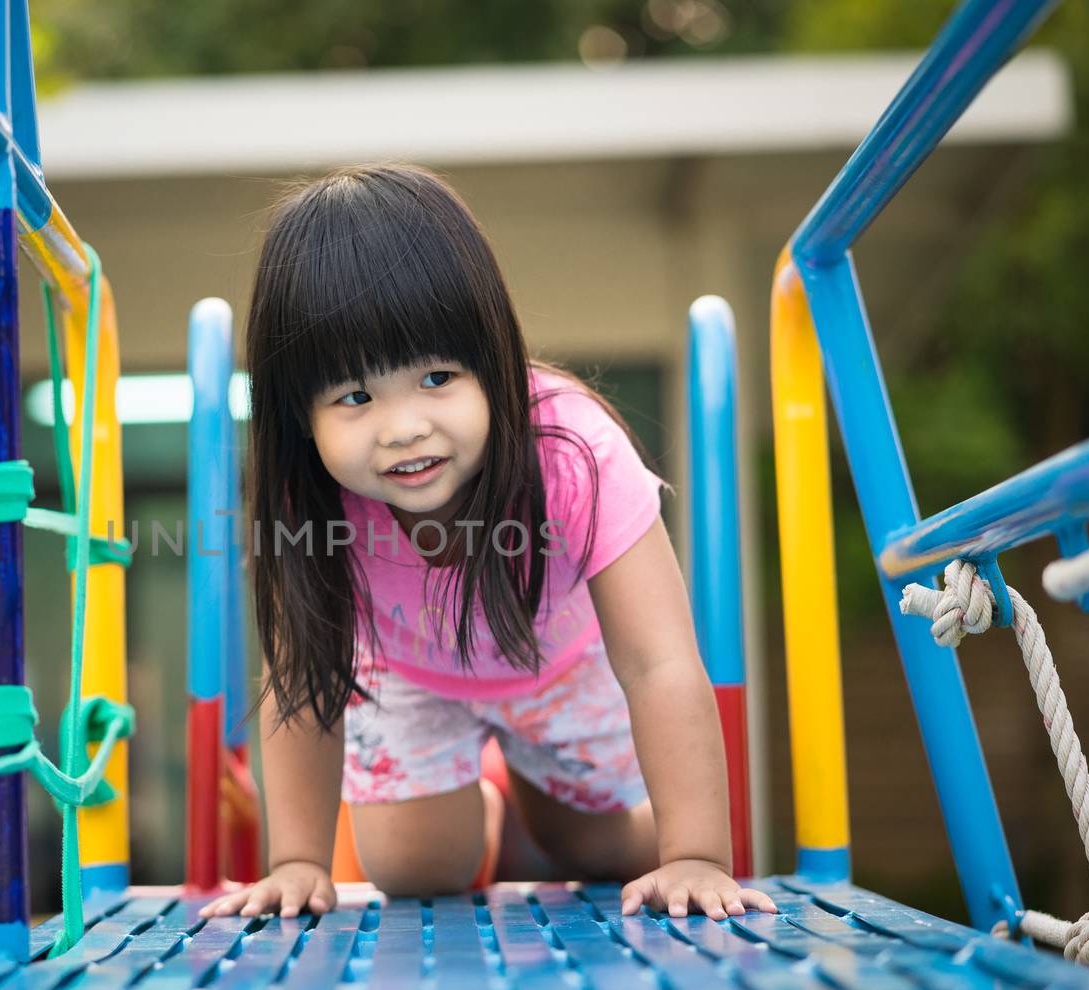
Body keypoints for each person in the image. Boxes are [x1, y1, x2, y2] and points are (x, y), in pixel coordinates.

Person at [201, 163, 774, 922]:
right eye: (355, 396)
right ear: (298, 411)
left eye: (437, 376)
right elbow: (302, 677)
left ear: (493, 356)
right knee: (415, 870)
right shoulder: (306, 490)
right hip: (409, 671)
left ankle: (535, 796)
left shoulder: (572, 453)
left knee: (598, 853)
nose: (403, 426)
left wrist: (698, 854)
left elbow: (658, 659)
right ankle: (492, 806)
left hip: (561, 665)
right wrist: (298, 859)